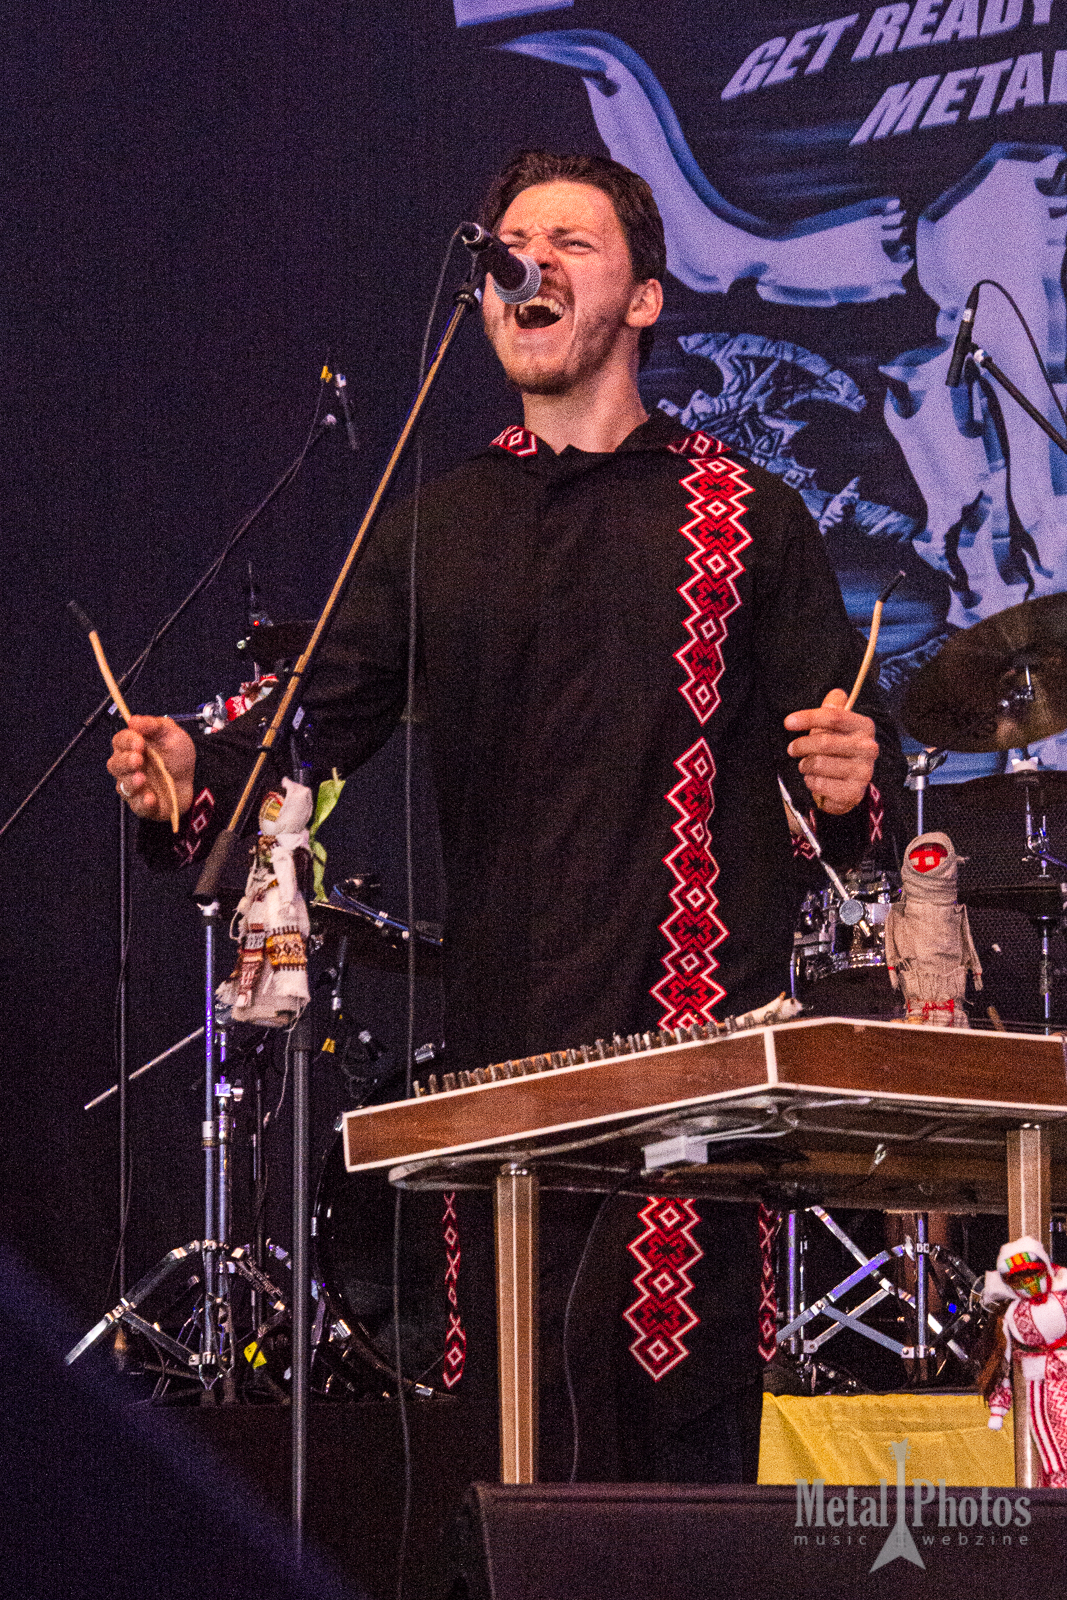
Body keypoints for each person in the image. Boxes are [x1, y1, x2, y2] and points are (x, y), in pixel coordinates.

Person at [108, 151, 903, 1481]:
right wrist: (196, 772)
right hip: (504, 1063)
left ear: (644, 298)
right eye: (511, 245)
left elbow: (849, 762)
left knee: (676, 1455)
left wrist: (846, 774)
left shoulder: (746, 517)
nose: (527, 261)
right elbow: (311, 723)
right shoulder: (439, 527)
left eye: (571, 242)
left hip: (692, 1061)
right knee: (512, 1450)